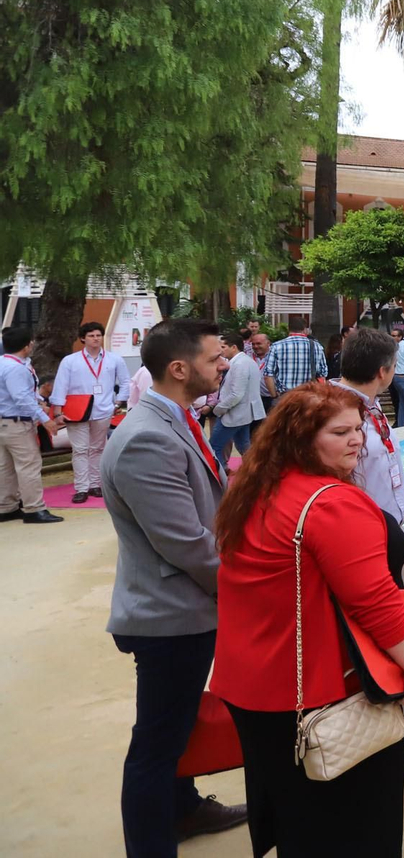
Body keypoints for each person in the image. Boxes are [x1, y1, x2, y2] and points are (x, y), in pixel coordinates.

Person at [210, 382, 404, 857]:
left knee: (297, 818)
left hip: (255, 685)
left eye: (358, 428)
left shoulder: (257, 489)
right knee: (354, 822)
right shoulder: (329, 502)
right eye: (340, 431)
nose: (356, 440)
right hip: (313, 691)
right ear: (302, 437)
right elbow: (375, 601)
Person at [100, 319, 247, 854]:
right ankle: (151, 843)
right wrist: (242, 586)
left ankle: (184, 809)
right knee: (157, 743)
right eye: (214, 359)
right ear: (179, 368)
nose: (223, 364)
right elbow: (185, 544)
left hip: (183, 608)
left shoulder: (176, 419)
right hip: (169, 616)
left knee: (177, 727)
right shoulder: (146, 439)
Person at [330, 328, 404, 749]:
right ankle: (382, 709)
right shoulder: (338, 414)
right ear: (384, 370)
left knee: (401, 617)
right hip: (363, 540)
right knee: (380, 623)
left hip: (390, 533)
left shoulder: (368, 409)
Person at [49, 320, 130, 503]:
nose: (95, 339)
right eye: (91, 336)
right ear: (82, 339)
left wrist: (118, 402)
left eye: (98, 335)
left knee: (98, 448)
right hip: (76, 411)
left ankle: (95, 484)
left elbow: (125, 382)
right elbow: (61, 385)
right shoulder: (70, 361)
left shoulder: (114, 359)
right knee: (80, 450)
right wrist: (58, 411)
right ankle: (81, 488)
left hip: (103, 409)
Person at [1, 326, 65, 523]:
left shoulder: (5, 363)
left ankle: (6, 506)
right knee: (28, 465)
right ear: (27, 346)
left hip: (4, 422)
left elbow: (24, 393)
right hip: (17, 423)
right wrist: (44, 418)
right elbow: (21, 397)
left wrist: (38, 401)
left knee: (5, 467)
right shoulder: (16, 369)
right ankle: (34, 508)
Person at [211, 334, 264, 463]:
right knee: (243, 445)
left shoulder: (240, 364)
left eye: (223, 347)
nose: (220, 350)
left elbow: (236, 394)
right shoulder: (244, 361)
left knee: (214, 446)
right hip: (243, 412)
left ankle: (220, 472)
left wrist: (218, 409)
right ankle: (254, 469)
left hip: (234, 413)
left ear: (234, 347)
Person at [262, 321, 327, 400]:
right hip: (308, 396)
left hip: (285, 396)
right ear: (305, 329)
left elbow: (268, 375)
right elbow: (322, 374)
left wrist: (274, 396)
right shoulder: (317, 346)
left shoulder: (276, 346)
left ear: (288, 329)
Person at [248, 333, 274, 425]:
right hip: (254, 399)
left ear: (268, 343)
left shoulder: (275, 356)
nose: (255, 346)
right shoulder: (248, 356)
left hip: (270, 398)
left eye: (259, 344)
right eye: (253, 344)